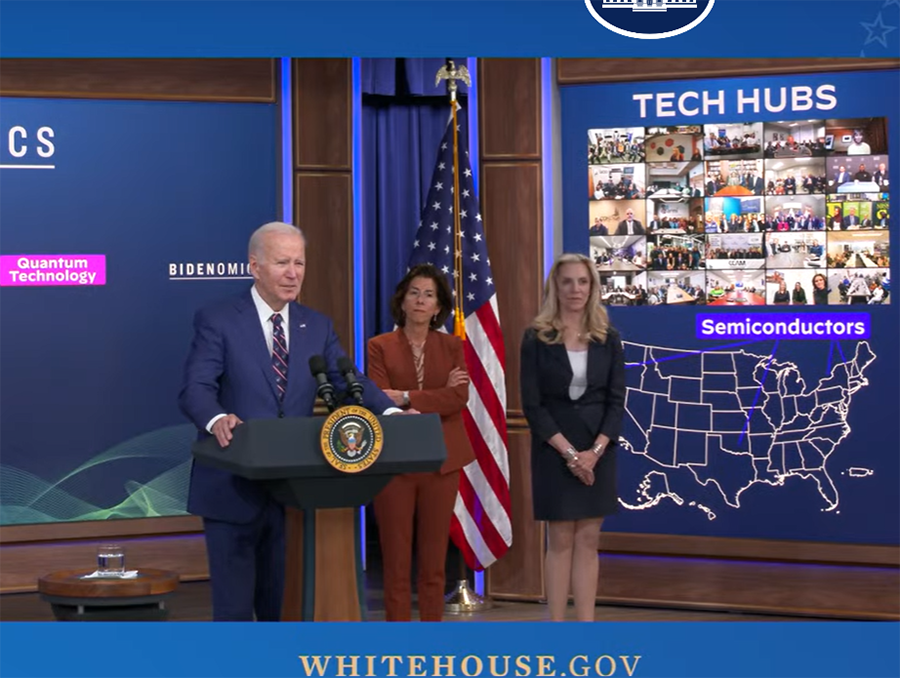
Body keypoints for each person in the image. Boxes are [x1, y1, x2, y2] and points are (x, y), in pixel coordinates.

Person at [178, 221, 408, 621]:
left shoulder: (315, 325)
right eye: (282, 262)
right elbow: (195, 387)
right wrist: (216, 418)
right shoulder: (218, 319)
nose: (293, 273)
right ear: (255, 266)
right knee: (232, 613)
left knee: (276, 609)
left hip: (291, 490)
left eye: (299, 263)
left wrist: (391, 413)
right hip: (231, 486)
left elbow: (345, 378)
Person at [520, 253, 626, 622]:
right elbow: (532, 406)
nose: (575, 289)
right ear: (556, 287)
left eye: (583, 281)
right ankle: (558, 628)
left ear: (593, 287)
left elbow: (616, 402)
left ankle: (586, 626)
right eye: (567, 281)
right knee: (561, 538)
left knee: (588, 539)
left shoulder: (607, 338)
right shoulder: (536, 337)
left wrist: (594, 453)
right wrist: (570, 454)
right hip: (554, 449)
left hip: (599, 450)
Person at [366, 264, 474, 622]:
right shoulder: (379, 346)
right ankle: (399, 640)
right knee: (396, 561)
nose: (420, 300)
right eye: (414, 292)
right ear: (402, 299)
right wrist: (425, 397)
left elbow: (458, 398)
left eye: (429, 294)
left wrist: (408, 397)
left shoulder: (453, 345)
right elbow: (380, 397)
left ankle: (431, 641)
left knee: (433, 561)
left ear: (439, 306)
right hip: (395, 461)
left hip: (441, 461)